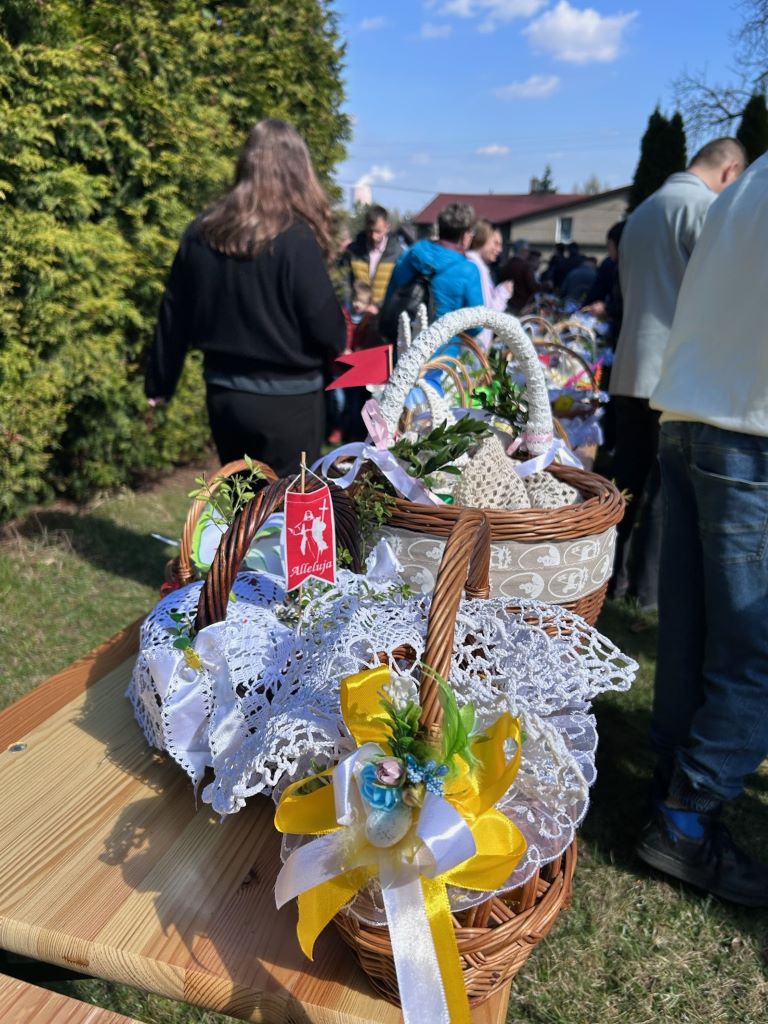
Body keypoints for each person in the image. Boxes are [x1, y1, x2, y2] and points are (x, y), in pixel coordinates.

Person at [635, 151, 768, 907]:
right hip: (751, 427)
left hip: (691, 415)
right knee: (753, 646)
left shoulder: (745, 184)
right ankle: (686, 816)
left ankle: (672, 775)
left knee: (689, 629)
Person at [145, 119, 346, 477]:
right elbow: (326, 328)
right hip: (290, 403)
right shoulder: (296, 238)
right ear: (297, 171)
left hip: (225, 396)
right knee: (287, 505)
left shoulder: (203, 232)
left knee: (242, 501)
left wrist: (160, 382)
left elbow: (174, 313)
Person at [608, 138, 746, 613]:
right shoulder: (706, 209)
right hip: (673, 368)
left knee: (625, 481)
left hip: (630, 362)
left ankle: (608, 575)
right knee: (666, 488)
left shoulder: (643, 211)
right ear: (731, 171)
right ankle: (647, 590)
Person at [383, 201, 483, 329]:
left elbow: (390, 295)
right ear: (464, 236)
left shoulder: (412, 252)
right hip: (444, 340)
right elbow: (476, 326)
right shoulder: (469, 270)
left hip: (404, 335)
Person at [340, 204, 403, 313]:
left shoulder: (397, 253)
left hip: (384, 315)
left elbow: (400, 287)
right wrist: (350, 304)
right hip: (356, 314)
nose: (373, 236)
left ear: (387, 227)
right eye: (370, 231)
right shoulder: (352, 251)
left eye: (378, 231)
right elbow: (343, 281)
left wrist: (380, 307)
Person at [465, 221, 513, 348]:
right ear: (482, 240)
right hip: (474, 345)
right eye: (496, 243)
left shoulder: (479, 267)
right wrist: (503, 293)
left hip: (475, 344)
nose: (500, 249)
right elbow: (486, 315)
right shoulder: (475, 269)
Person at [497, 239, 539, 315]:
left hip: (507, 306)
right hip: (522, 308)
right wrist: (547, 286)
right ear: (523, 251)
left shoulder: (506, 265)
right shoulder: (525, 267)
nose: (528, 253)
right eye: (527, 251)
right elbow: (533, 286)